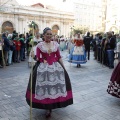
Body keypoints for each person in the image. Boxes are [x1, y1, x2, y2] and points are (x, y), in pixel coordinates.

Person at [26, 27, 73, 118]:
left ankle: (52, 105)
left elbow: (59, 56)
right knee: (45, 87)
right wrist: (34, 56)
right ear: (43, 35)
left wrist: (63, 67)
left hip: (55, 68)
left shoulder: (55, 44)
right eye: (47, 34)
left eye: (50, 34)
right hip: (43, 68)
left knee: (54, 87)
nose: (49, 36)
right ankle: (47, 107)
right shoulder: (40, 45)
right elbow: (38, 58)